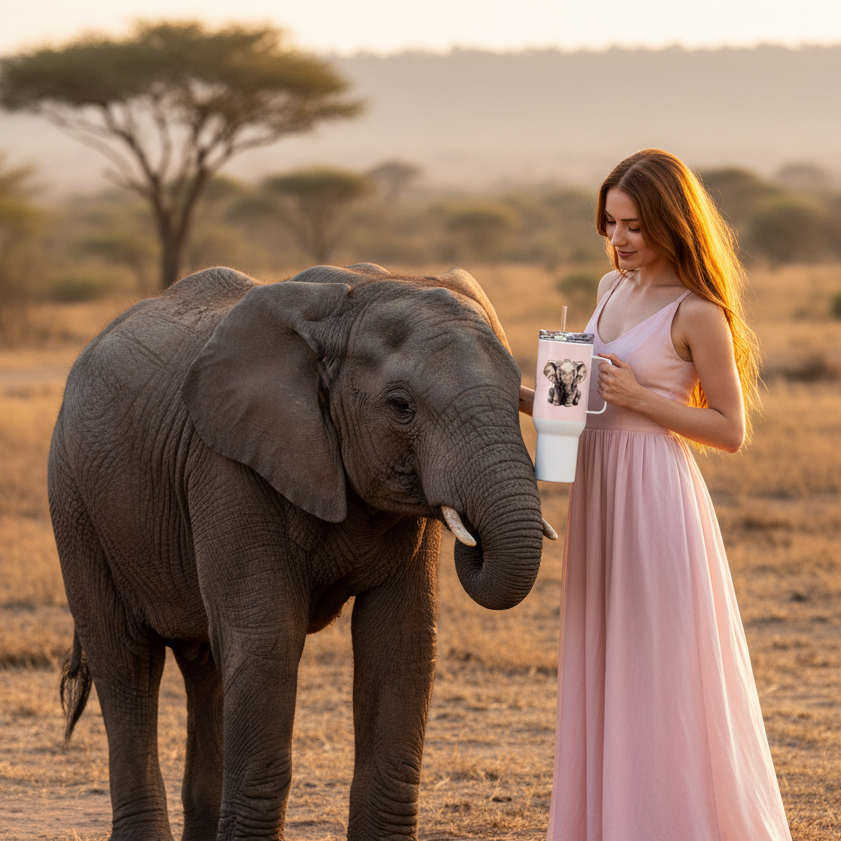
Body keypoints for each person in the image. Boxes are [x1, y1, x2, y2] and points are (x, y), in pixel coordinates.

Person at [520, 149, 791, 840]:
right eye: (610, 222)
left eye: (634, 225)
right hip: (598, 490)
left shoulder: (697, 312)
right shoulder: (610, 291)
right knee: (604, 660)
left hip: (653, 496)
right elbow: (577, 406)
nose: (618, 238)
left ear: (671, 222)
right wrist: (518, 395)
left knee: (658, 667)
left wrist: (643, 397)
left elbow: (729, 430)